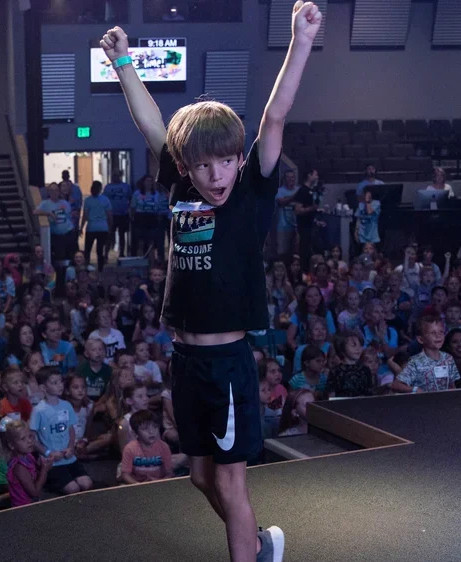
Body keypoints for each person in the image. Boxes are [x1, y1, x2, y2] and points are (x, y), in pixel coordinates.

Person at [104, 4, 321, 557]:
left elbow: (275, 116)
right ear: (187, 166)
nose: (216, 175)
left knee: (230, 481)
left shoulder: (252, 190)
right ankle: (261, 543)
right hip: (187, 362)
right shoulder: (181, 187)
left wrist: (299, 41)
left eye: (225, 162)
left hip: (227, 364)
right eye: (203, 166)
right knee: (200, 477)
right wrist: (124, 62)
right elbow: (152, 123)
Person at [29, 368, 92, 495]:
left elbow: (71, 429)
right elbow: (32, 438)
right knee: (73, 489)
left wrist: (70, 448)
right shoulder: (39, 410)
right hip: (52, 461)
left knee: (87, 484)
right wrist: (48, 453)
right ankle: (47, 481)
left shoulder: (66, 405)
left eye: (61, 382)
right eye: (54, 383)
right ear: (43, 387)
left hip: (69, 457)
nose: (60, 385)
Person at [392, 314, 460, 393]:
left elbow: (452, 386)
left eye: (441, 332)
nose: (438, 336)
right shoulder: (415, 362)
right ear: (421, 339)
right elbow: (396, 385)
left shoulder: (448, 358)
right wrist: (415, 389)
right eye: (433, 333)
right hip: (424, 404)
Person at [3, 418, 57, 507]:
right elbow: (34, 492)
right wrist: (44, 470)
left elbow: (34, 474)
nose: (29, 441)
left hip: (33, 503)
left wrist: (43, 466)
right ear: (11, 445)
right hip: (24, 509)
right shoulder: (19, 467)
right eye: (23, 439)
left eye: (29, 436)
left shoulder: (29, 456)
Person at [119, 409, 173, 484]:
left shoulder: (164, 447)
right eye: (145, 429)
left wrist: (158, 482)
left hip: (158, 484)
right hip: (136, 485)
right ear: (135, 433)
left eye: (154, 427)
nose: (151, 432)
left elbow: (169, 474)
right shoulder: (129, 449)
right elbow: (125, 475)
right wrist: (139, 485)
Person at [34, 183, 76, 267]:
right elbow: (35, 212)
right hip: (56, 236)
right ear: (49, 192)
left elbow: (69, 215)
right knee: (59, 259)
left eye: (56, 190)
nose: (54, 192)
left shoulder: (64, 202)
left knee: (72, 257)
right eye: (52, 190)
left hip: (69, 232)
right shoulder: (45, 203)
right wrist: (49, 214)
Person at [80, 181, 113, 271]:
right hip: (103, 227)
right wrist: (110, 226)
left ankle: (86, 267)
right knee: (100, 250)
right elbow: (109, 215)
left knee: (88, 250)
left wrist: (81, 227)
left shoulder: (88, 200)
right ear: (100, 189)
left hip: (91, 227)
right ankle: (100, 269)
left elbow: (85, 216)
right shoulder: (105, 200)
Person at [104, 171, 133, 257]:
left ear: (120, 176)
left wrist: (129, 210)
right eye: (114, 175)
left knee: (122, 235)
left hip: (123, 214)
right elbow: (104, 201)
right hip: (111, 215)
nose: (115, 177)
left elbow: (131, 198)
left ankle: (121, 253)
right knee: (109, 235)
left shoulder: (126, 186)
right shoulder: (108, 187)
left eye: (117, 175)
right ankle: (106, 253)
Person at [274, 170, 299, 260]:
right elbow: (281, 202)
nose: (290, 179)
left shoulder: (298, 190)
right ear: (285, 179)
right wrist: (296, 195)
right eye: (288, 177)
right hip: (283, 227)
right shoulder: (279, 191)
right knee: (282, 253)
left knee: (296, 253)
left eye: (292, 177)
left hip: (297, 227)